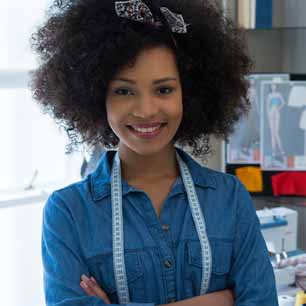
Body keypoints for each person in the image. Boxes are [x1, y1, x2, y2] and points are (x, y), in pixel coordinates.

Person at [30, 0, 278, 305]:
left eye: (164, 90)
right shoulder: (68, 212)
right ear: (97, 96)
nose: (146, 110)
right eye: (124, 91)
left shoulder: (229, 198)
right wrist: (218, 300)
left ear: (189, 94)